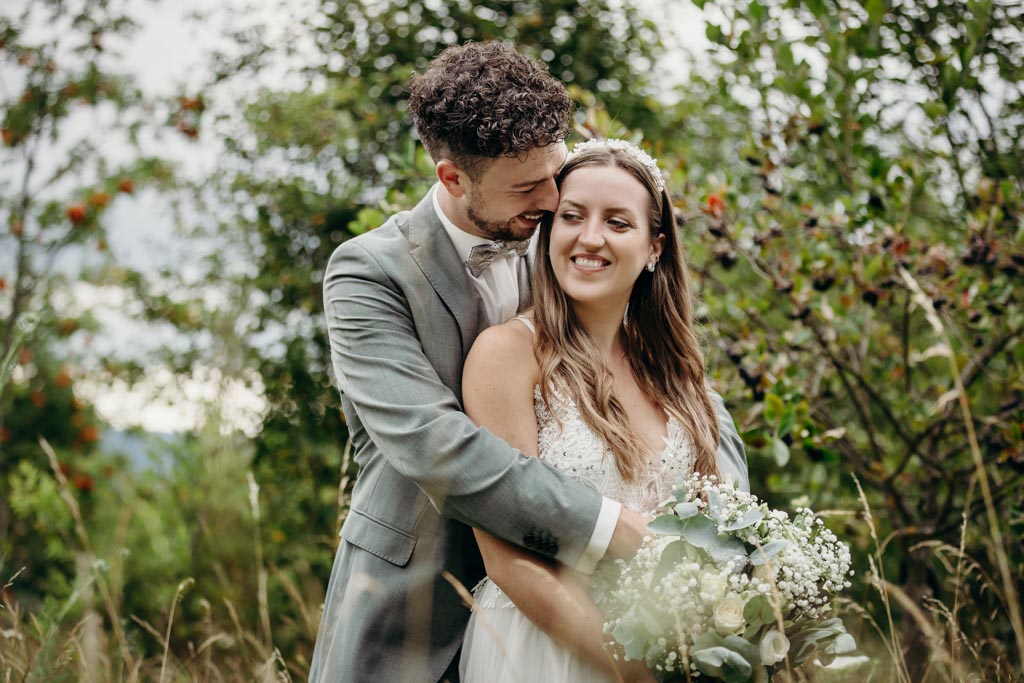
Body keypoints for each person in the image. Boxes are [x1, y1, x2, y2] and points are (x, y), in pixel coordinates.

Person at [310, 43, 708, 683]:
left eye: (555, 174)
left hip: (567, 612)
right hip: (411, 612)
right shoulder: (369, 272)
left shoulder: (562, 245)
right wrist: (612, 528)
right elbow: (434, 445)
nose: (554, 201)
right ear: (453, 178)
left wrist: (736, 538)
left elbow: (671, 382)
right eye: (528, 187)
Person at [458, 138, 750, 683]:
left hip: (675, 652)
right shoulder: (506, 355)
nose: (589, 238)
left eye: (618, 222)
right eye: (571, 216)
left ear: (655, 247)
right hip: (546, 652)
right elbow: (508, 560)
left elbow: (720, 537)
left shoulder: (680, 376)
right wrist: (635, 670)